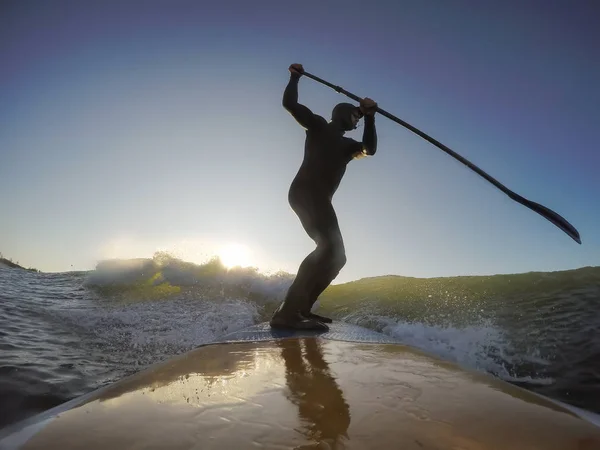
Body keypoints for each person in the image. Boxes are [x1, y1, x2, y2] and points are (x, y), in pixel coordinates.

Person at [270, 63, 378, 331]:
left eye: (360, 119)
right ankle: (288, 312)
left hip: (320, 199)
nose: (357, 120)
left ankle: (303, 309)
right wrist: (295, 77)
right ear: (341, 112)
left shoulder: (348, 147)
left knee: (337, 257)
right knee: (327, 248)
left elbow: (370, 149)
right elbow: (290, 105)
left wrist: (371, 116)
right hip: (305, 192)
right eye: (355, 116)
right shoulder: (318, 126)